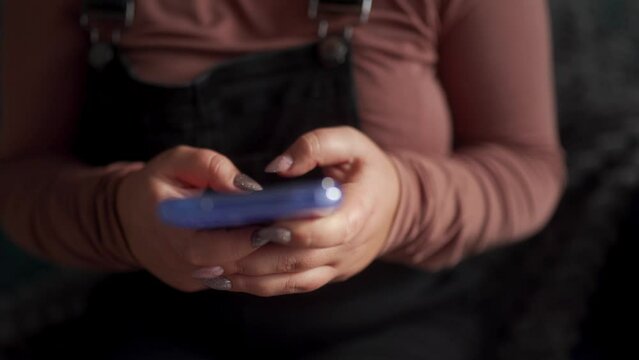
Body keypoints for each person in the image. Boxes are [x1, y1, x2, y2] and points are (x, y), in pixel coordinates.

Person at [0, 0, 566, 358]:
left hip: (398, 324)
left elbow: (528, 164)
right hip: (161, 325)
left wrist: (401, 205)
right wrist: (117, 214)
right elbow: (19, 176)